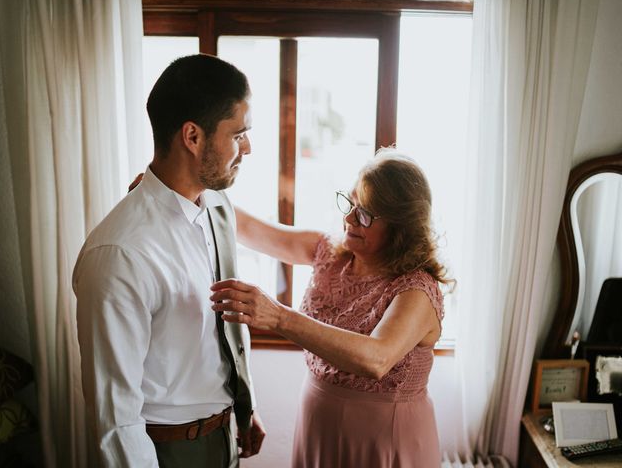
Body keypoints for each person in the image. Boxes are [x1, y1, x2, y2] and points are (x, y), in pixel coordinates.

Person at [72, 54, 265, 468]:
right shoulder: (120, 255)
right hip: (166, 452)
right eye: (239, 134)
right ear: (192, 137)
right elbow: (116, 417)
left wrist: (245, 405)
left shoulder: (216, 207)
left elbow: (218, 328)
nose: (247, 147)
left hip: (225, 434)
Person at [210, 148, 452, 468]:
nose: (349, 218)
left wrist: (280, 317)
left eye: (365, 214)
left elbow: (376, 358)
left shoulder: (417, 289)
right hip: (318, 426)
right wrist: (185, 194)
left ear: (400, 228)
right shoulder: (330, 252)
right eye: (350, 202)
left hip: (385, 440)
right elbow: (252, 231)